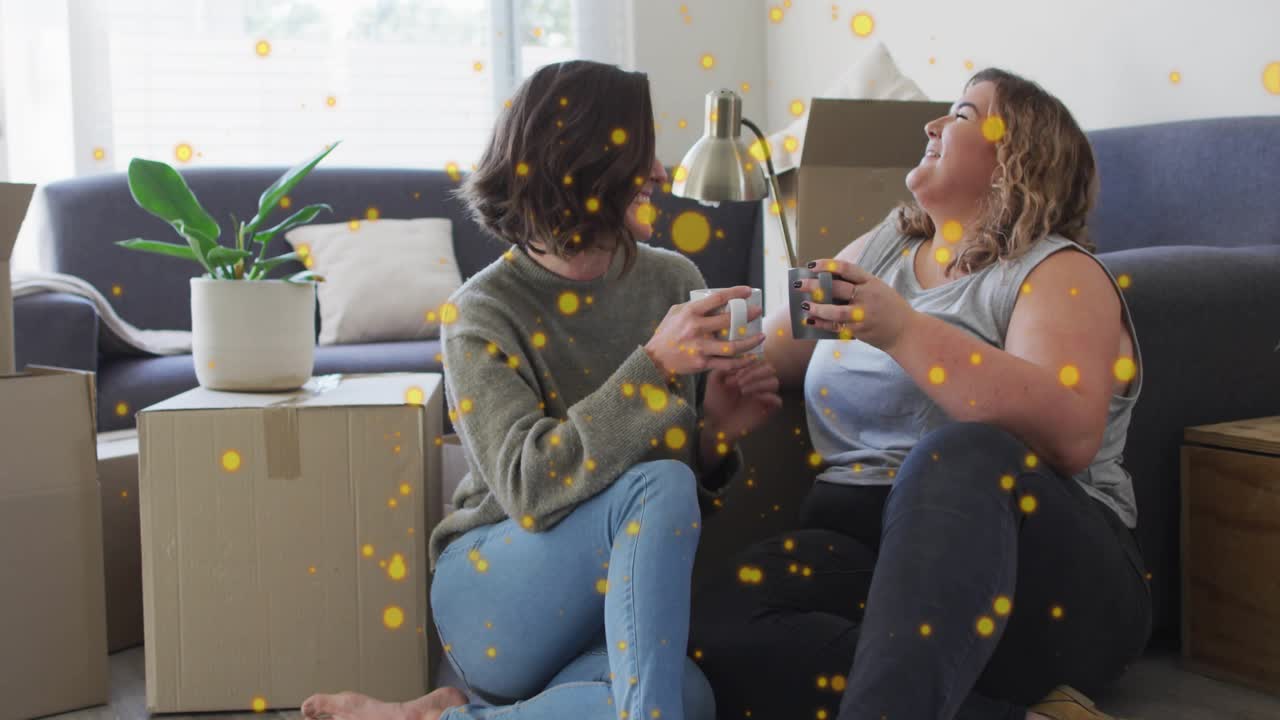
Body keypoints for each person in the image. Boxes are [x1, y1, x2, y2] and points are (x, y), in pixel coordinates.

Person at [301, 60, 782, 720]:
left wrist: (713, 437)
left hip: (603, 615)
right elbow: (529, 485)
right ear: (584, 163)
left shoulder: (673, 281)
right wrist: (652, 366)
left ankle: (437, 717)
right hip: (496, 596)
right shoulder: (480, 312)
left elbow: (655, 514)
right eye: (642, 154)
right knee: (660, 499)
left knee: (688, 700)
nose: (662, 173)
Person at [690, 68, 1151, 720]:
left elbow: (1071, 433)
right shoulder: (883, 249)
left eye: (961, 114)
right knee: (718, 624)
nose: (932, 125)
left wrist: (903, 330)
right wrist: (700, 357)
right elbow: (771, 342)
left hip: (1042, 576)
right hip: (869, 556)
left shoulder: (1057, 269)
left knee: (959, 452)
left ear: (1019, 154)